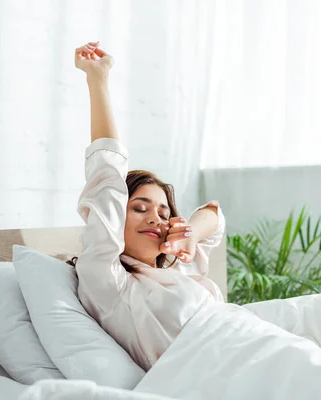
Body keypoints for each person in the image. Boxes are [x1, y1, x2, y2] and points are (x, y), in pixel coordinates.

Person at [69, 40, 229, 371]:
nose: (155, 218)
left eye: (163, 212)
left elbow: (214, 215)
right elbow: (107, 181)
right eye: (140, 208)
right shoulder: (109, 282)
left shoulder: (180, 267)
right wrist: (97, 79)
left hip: (243, 342)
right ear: (115, 220)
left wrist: (189, 235)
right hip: (214, 370)